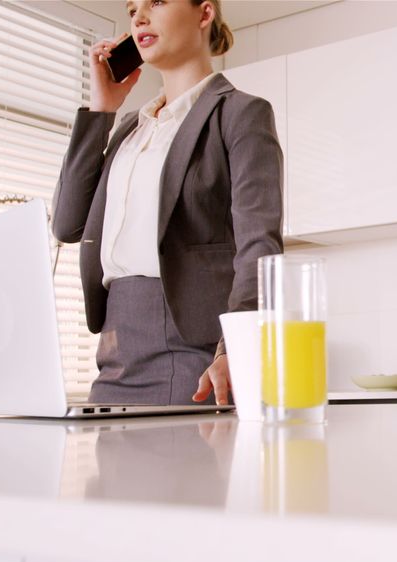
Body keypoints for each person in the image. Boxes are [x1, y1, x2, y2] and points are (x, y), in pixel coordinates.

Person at [51, 0, 283, 406]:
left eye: (156, 2)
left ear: (204, 13)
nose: (139, 16)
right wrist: (102, 110)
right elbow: (67, 224)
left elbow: (259, 248)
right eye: (132, 8)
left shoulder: (240, 114)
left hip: (196, 356)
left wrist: (233, 348)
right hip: (115, 356)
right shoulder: (128, 132)